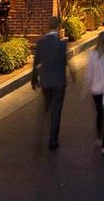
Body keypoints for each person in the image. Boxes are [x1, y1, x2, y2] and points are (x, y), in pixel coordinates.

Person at [31, 15, 69, 150]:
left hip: (46, 81)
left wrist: (34, 79)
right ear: (58, 27)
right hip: (59, 82)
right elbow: (64, 62)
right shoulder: (61, 44)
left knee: (46, 107)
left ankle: (41, 132)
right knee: (56, 111)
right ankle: (53, 140)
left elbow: (36, 63)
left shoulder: (41, 43)